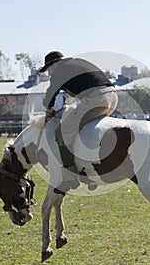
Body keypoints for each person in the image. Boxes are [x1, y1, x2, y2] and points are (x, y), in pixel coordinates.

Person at [39, 50, 118, 180]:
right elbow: (84, 86)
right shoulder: (75, 64)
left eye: (48, 69)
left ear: (54, 65)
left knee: (62, 133)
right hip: (112, 97)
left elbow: (50, 96)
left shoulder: (59, 71)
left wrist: (48, 111)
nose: (48, 73)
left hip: (96, 99)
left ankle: (70, 173)